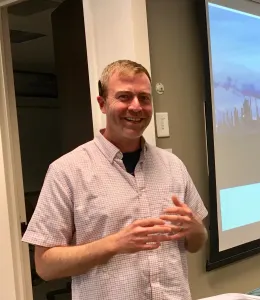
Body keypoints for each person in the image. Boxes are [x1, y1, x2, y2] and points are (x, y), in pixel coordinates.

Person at [22, 59, 208, 300]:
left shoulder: (173, 166)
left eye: (144, 98)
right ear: (102, 104)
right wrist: (115, 243)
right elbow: (45, 266)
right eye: (124, 97)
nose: (136, 107)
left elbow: (195, 244)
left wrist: (195, 230)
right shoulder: (67, 171)